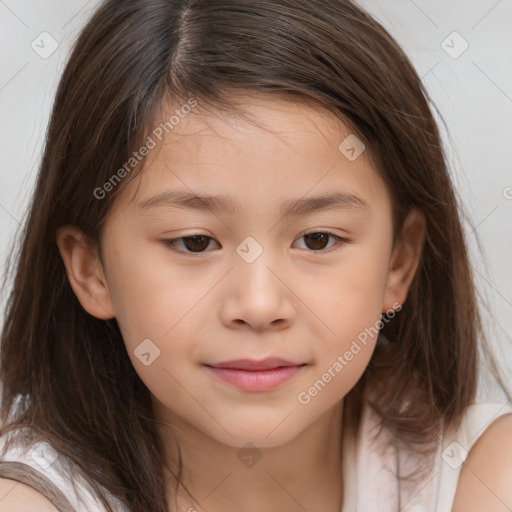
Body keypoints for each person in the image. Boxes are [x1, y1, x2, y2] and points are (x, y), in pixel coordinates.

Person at [1, 0, 511, 511]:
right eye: (195, 242)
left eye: (317, 240)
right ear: (92, 271)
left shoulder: (480, 477)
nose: (260, 304)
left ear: (399, 263)